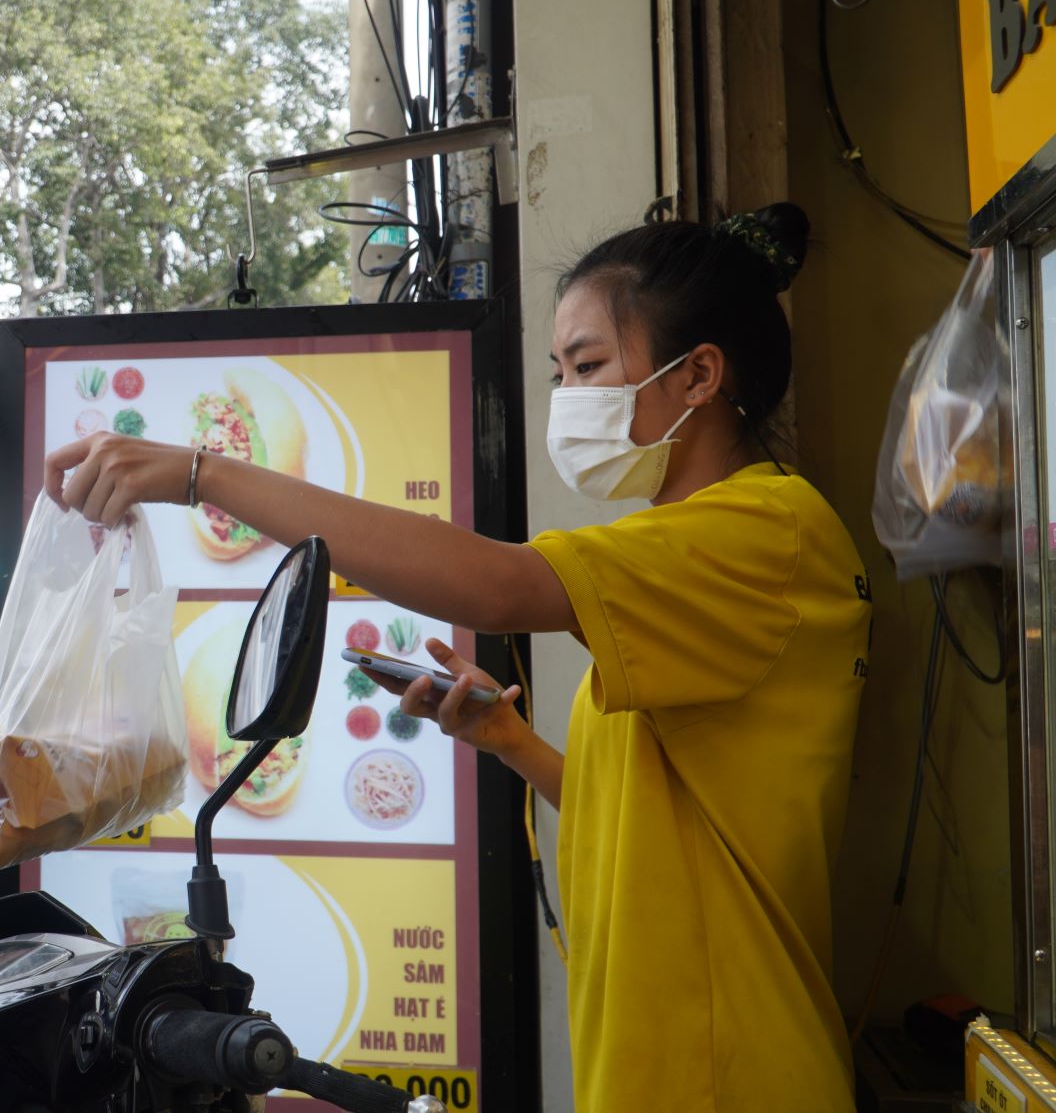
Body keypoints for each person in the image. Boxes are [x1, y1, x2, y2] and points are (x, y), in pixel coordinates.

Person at [46, 204, 870, 1112]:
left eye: (589, 366)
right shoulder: (694, 550)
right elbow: (648, 817)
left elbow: (498, 585)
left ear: (699, 374)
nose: (569, 396)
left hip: (732, 1068)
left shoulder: (761, 533)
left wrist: (204, 474)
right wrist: (510, 739)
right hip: (665, 1057)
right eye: (560, 372)